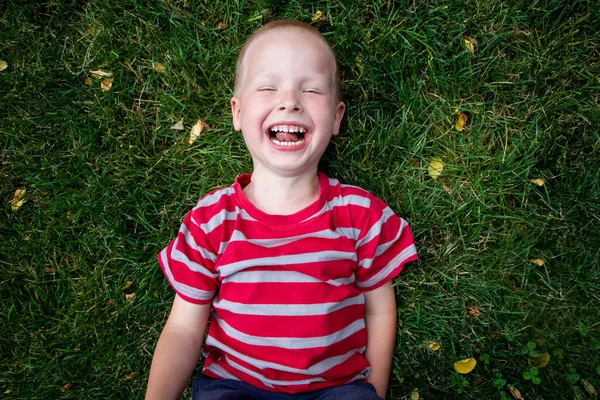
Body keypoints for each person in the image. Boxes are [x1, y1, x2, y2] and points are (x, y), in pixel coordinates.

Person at [145, 19, 418, 400]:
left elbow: (380, 311)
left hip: (337, 389)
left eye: (310, 89)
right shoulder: (210, 220)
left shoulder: (361, 214)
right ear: (238, 113)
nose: (290, 100)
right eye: (269, 86)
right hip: (235, 386)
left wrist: (372, 390)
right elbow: (184, 329)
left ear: (336, 118)